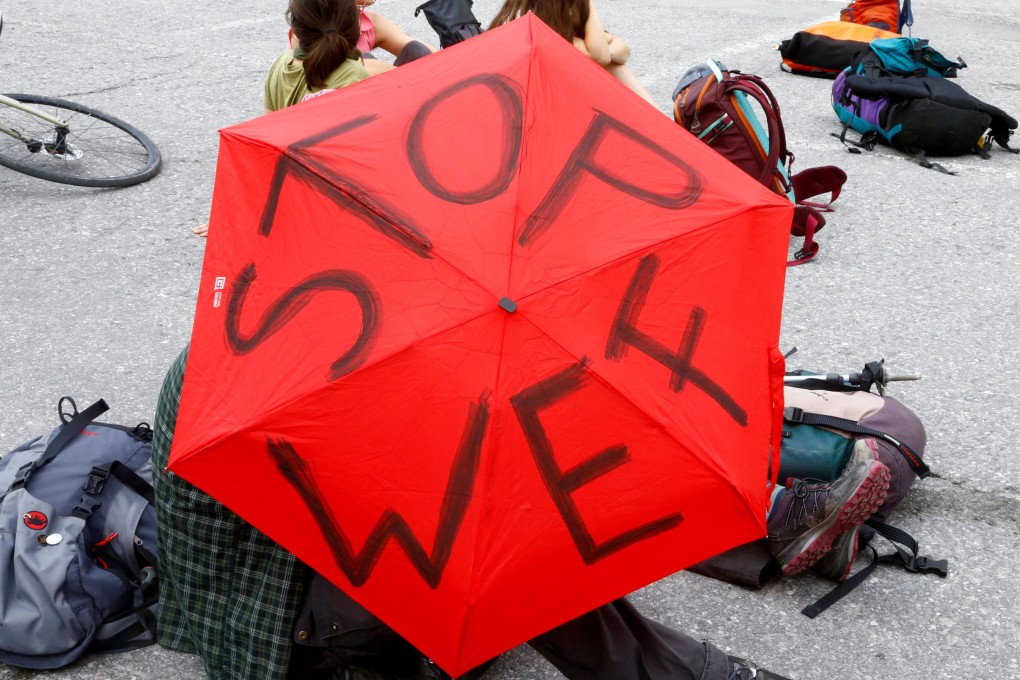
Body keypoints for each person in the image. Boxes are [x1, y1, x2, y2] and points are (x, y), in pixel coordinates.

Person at [488, 0, 658, 107]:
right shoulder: (539, 33)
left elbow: (622, 50)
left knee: (614, 66)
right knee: (611, 67)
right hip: (533, 106)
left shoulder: (564, 31)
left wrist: (604, 51)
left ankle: (661, 127)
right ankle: (663, 130)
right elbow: (601, 55)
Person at [355, 0, 435, 77]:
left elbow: (420, 49)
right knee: (362, 61)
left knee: (417, 50)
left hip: (390, 82)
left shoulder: (368, 22)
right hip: (350, 87)